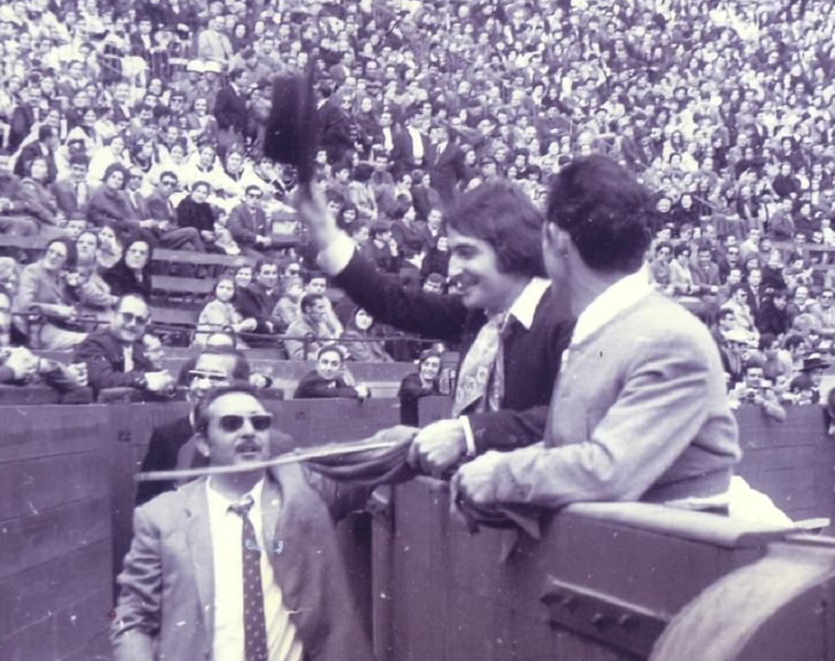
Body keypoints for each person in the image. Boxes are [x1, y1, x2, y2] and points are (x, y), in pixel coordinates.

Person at [451, 155, 741, 509]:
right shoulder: (606, 326)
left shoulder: (668, 338)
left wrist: (500, 475)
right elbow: (570, 453)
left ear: (556, 240)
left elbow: (608, 471)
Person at [295, 179, 573, 474]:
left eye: (466, 253)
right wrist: (325, 231)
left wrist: (465, 434)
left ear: (511, 249)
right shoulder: (478, 313)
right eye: (451, 253)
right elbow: (391, 301)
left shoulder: (565, 316)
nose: (451, 271)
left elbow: (570, 419)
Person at [113, 386, 375, 660]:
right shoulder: (161, 516)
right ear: (203, 442)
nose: (249, 431)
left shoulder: (302, 492)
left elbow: (382, 456)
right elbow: (132, 619)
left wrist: (420, 439)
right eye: (231, 423)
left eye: (259, 423)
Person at [135, 348, 254, 505]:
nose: (203, 385)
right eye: (197, 376)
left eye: (216, 378)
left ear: (239, 387)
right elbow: (147, 502)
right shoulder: (166, 436)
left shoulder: (254, 437)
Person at [74, 294, 175, 399]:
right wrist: (144, 379)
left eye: (140, 320)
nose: (132, 324)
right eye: (127, 317)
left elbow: (153, 379)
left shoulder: (138, 349)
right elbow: (102, 380)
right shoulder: (93, 343)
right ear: (113, 316)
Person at [293, 345, 371, 400]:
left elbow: (346, 390)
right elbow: (331, 393)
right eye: (325, 362)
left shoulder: (338, 380)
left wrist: (364, 391)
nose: (328, 368)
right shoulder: (309, 382)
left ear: (340, 368)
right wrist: (357, 392)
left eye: (334, 364)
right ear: (317, 364)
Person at [285, 293, 344, 361]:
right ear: (308, 309)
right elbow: (296, 356)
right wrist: (322, 355)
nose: (323, 311)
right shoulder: (295, 329)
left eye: (324, 307)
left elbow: (329, 343)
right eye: (320, 307)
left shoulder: (321, 326)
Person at [398, 348, 444, 427]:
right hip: (409, 428)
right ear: (420, 365)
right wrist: (434, 392)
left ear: (439, 369)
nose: (430, 369)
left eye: (434, 366)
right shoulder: (409, 380)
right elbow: (412, 390)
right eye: (426, 364)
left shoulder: (437, 384)